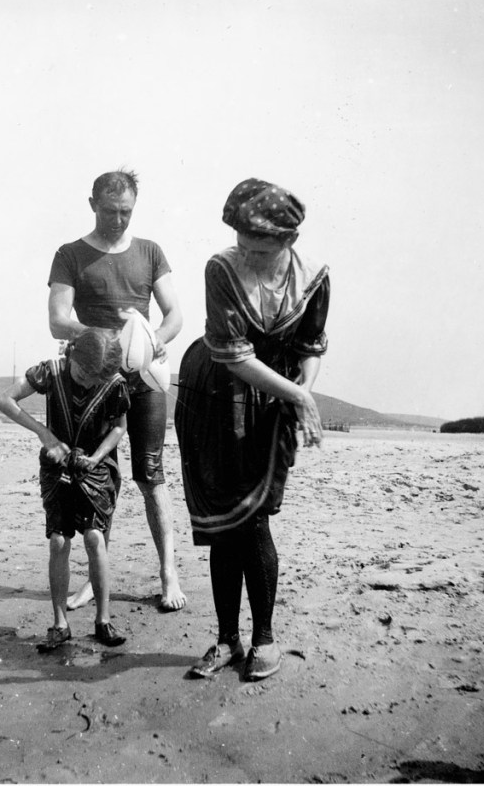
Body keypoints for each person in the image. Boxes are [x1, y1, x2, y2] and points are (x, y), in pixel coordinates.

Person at [174, 178, 329, 682]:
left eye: (260, 249)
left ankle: (264, 638)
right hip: (214, 395)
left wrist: (300, 392)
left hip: (272, 403)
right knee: (223, 523)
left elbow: (310, 348)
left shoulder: (313, 281)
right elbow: (233, 354)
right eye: (241, 243)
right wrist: (298, 395)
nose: (246, 254)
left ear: (289, 243)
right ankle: (226, 639)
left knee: (255, 519)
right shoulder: (220, 269)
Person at [47, 169, 187, 612]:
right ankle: (95, 580)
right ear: (92, 204)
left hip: (144, 379)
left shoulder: (150, 253)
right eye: (110, 211)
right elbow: (57, 318)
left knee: (151, 475)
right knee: (93, 476)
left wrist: (156, 338)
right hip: (93, 381)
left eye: (127, 211)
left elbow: (175, 314)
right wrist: (111, 336)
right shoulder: (70, 254)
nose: (119, 219)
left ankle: (168, 575)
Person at [0, 328, 131, 651]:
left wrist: (96, 458)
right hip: (57, 467)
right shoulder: (51, 372)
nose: (86, 381)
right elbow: (3, 400)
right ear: (72, 355)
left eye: (95, 378)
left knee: (95, 538)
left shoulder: (112, 382)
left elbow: (120, 427)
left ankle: (103, 620)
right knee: (58, 542)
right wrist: (44, 434)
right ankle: (59, 623)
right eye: (83, 372)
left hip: (96, 470)